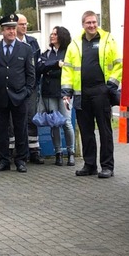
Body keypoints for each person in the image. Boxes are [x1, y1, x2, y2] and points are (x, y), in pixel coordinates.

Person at [62, 10, 122, 178]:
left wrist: (110, 86)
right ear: (83, 25)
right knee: (86, 131)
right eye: (88, 23)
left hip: (101, 92)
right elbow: (67, 69)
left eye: (94, 22)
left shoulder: (107, 40)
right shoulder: (75, 44)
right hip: (82, 94)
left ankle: (107, 166)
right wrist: (66, 92)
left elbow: (118, 64)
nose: (92, 25)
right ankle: (90, 165)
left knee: (105, 131)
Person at [0, 12, 35, 172]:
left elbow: (31, 74)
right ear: (2, 31)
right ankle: (4, 160)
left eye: (13, 28)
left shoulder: (25, 49)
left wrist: (27, 92)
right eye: (8, 29)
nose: (11, 31)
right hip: (0, 96)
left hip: (19, 96)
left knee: (21, 129)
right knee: (1, 130)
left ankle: (21, 160)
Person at [38, 26, 76, 166]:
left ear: (62, 36)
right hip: (49, 93)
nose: (52, 36)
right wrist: (55, 65)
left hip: (64, 93)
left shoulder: (68, 52)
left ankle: (71, 152)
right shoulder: (47, 53)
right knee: (54, 123)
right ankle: (58, 153)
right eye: (51, 33)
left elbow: (67, 70)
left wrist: (50, 70)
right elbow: (40, 68)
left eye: (55, 34)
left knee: (66, 123)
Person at [17, 13, 43, 164]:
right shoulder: (11, 43)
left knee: (32, 118)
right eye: (22, 24)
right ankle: (20, 152)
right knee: (17, 120)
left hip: (31, 87)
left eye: (26, 24)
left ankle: (34, 151)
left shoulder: (33, 42)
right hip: (17, 88)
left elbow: (38, 65)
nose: (25, 26)